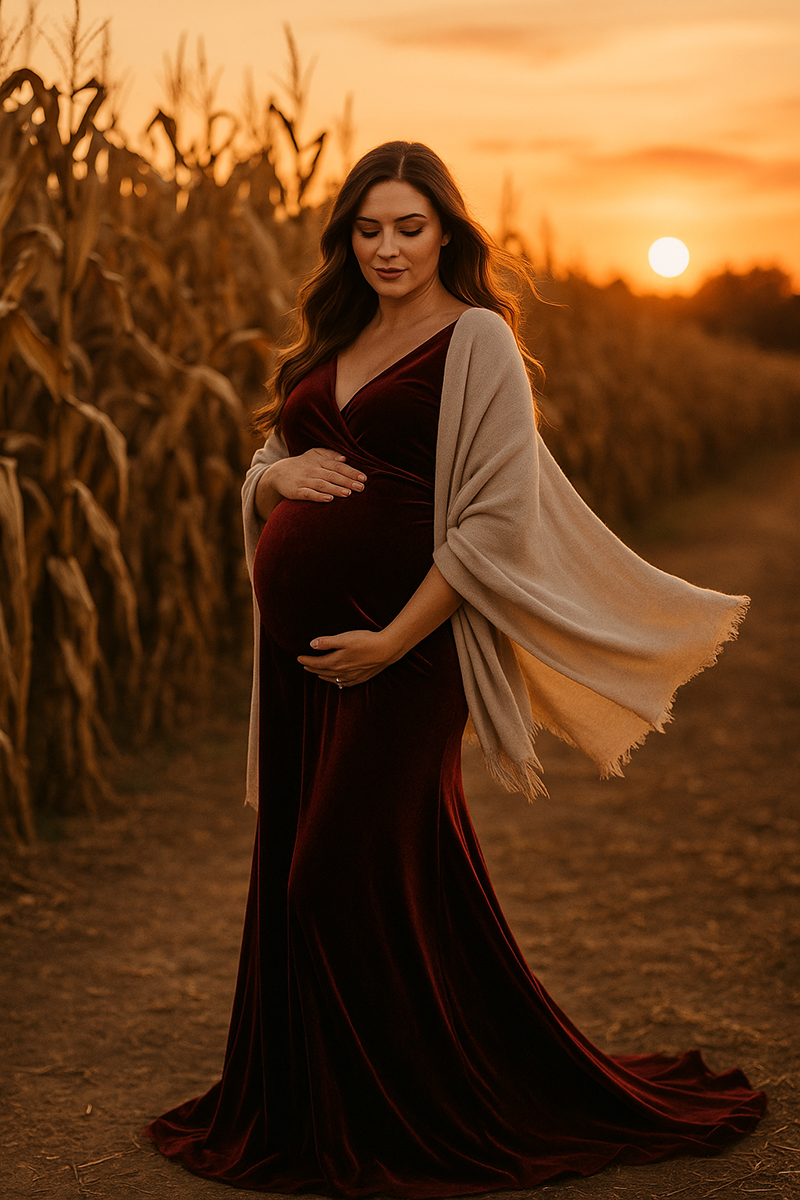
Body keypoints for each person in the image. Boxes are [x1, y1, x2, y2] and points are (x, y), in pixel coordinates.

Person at [142, 141, 766, 1195]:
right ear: (346, 238)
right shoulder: (334, 339)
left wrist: (394, 638)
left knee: (331, 875)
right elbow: (266, 466)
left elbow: (495, 518)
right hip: (302, 668)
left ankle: (415, 1115)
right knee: (385, 880)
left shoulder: (474, 337)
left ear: (446, 234)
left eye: (409, 227)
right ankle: (327, 1105)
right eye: (367, 229)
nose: (386, 248)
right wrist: (275, 481)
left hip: (406, 657)